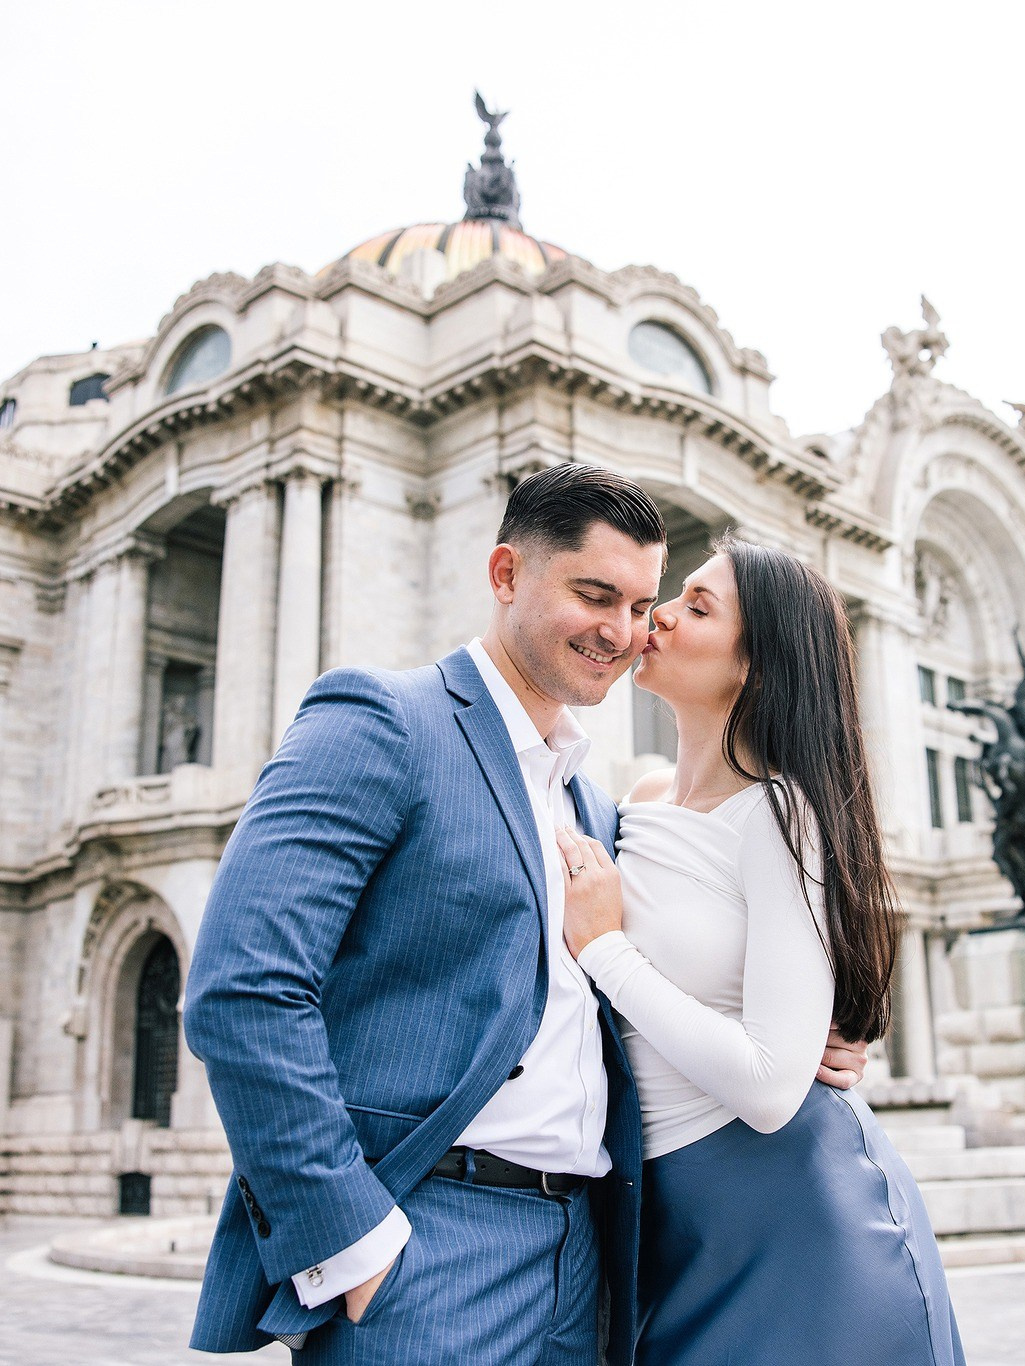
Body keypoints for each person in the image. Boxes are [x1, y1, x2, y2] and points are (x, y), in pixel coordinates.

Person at [182, 464, 868, 1364]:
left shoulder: (593, 807)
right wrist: (349, 1239)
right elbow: (243, 989)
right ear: (506, 575)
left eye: (641, 605)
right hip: (431, 1248)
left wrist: (805, 1027)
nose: (622, 632)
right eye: (594, 595)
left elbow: (689, 945)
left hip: (594, 1259)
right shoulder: (383, 720)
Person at [556, 536, 969, 1365]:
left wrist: (607, 952)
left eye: (698, 607)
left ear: (754, 666)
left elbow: (773, 1088)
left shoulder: (783, 816)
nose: (659, 615)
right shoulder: (634, 802)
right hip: (664, 1211)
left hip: (794, 1213)